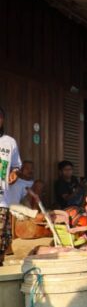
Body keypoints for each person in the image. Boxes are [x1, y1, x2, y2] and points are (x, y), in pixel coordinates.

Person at [0, 107, 21, 265]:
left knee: (2, 242)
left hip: (2, 199)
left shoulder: (9, 142)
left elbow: (15, 165)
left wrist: (14, 172)